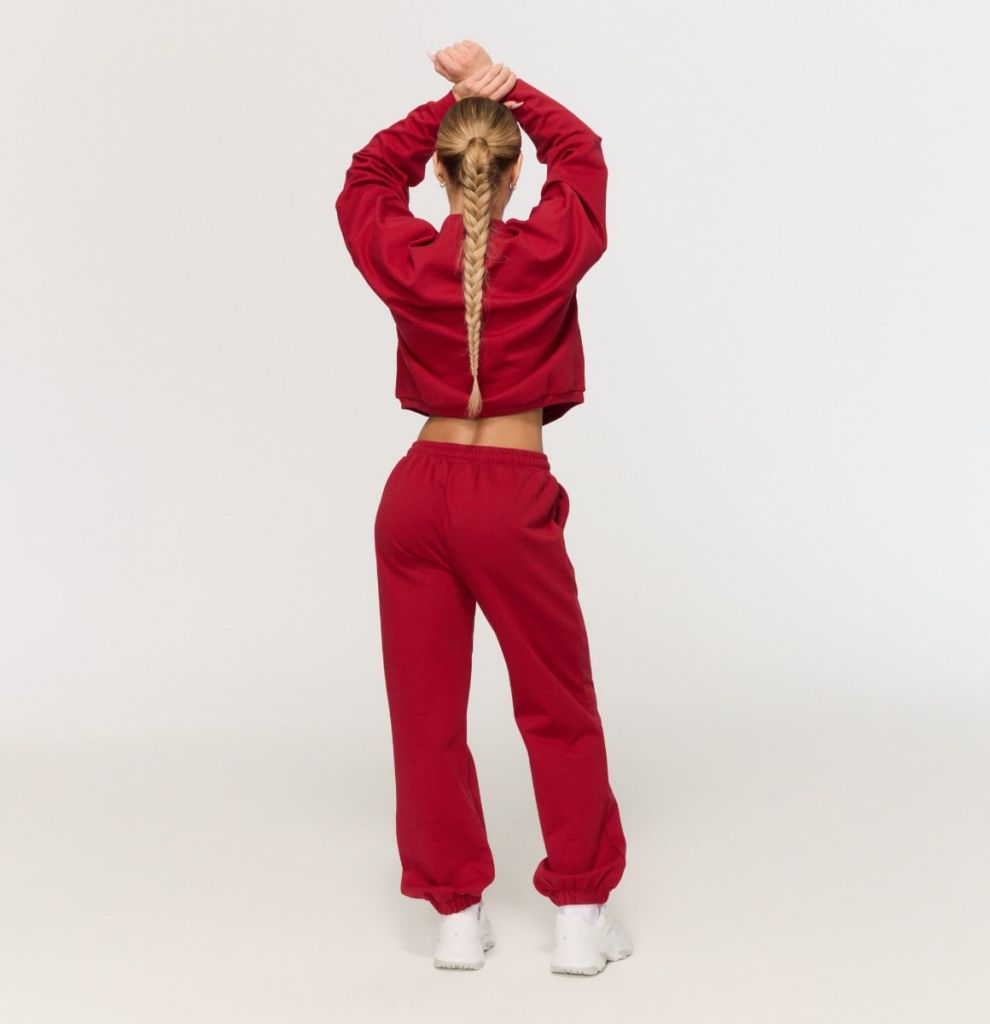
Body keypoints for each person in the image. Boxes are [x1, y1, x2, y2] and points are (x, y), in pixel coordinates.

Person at [334, 39, 633, 976]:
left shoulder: (407, 256)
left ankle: (456, 919)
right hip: (506, 498)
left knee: (424, 713)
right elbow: (583, 154)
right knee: (557, 704)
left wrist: (449, 105)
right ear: (512, 176)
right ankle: (579, 917)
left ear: (440, 173)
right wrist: (508, 89)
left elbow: (364, 177)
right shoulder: (544, 252)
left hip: (414, 497)